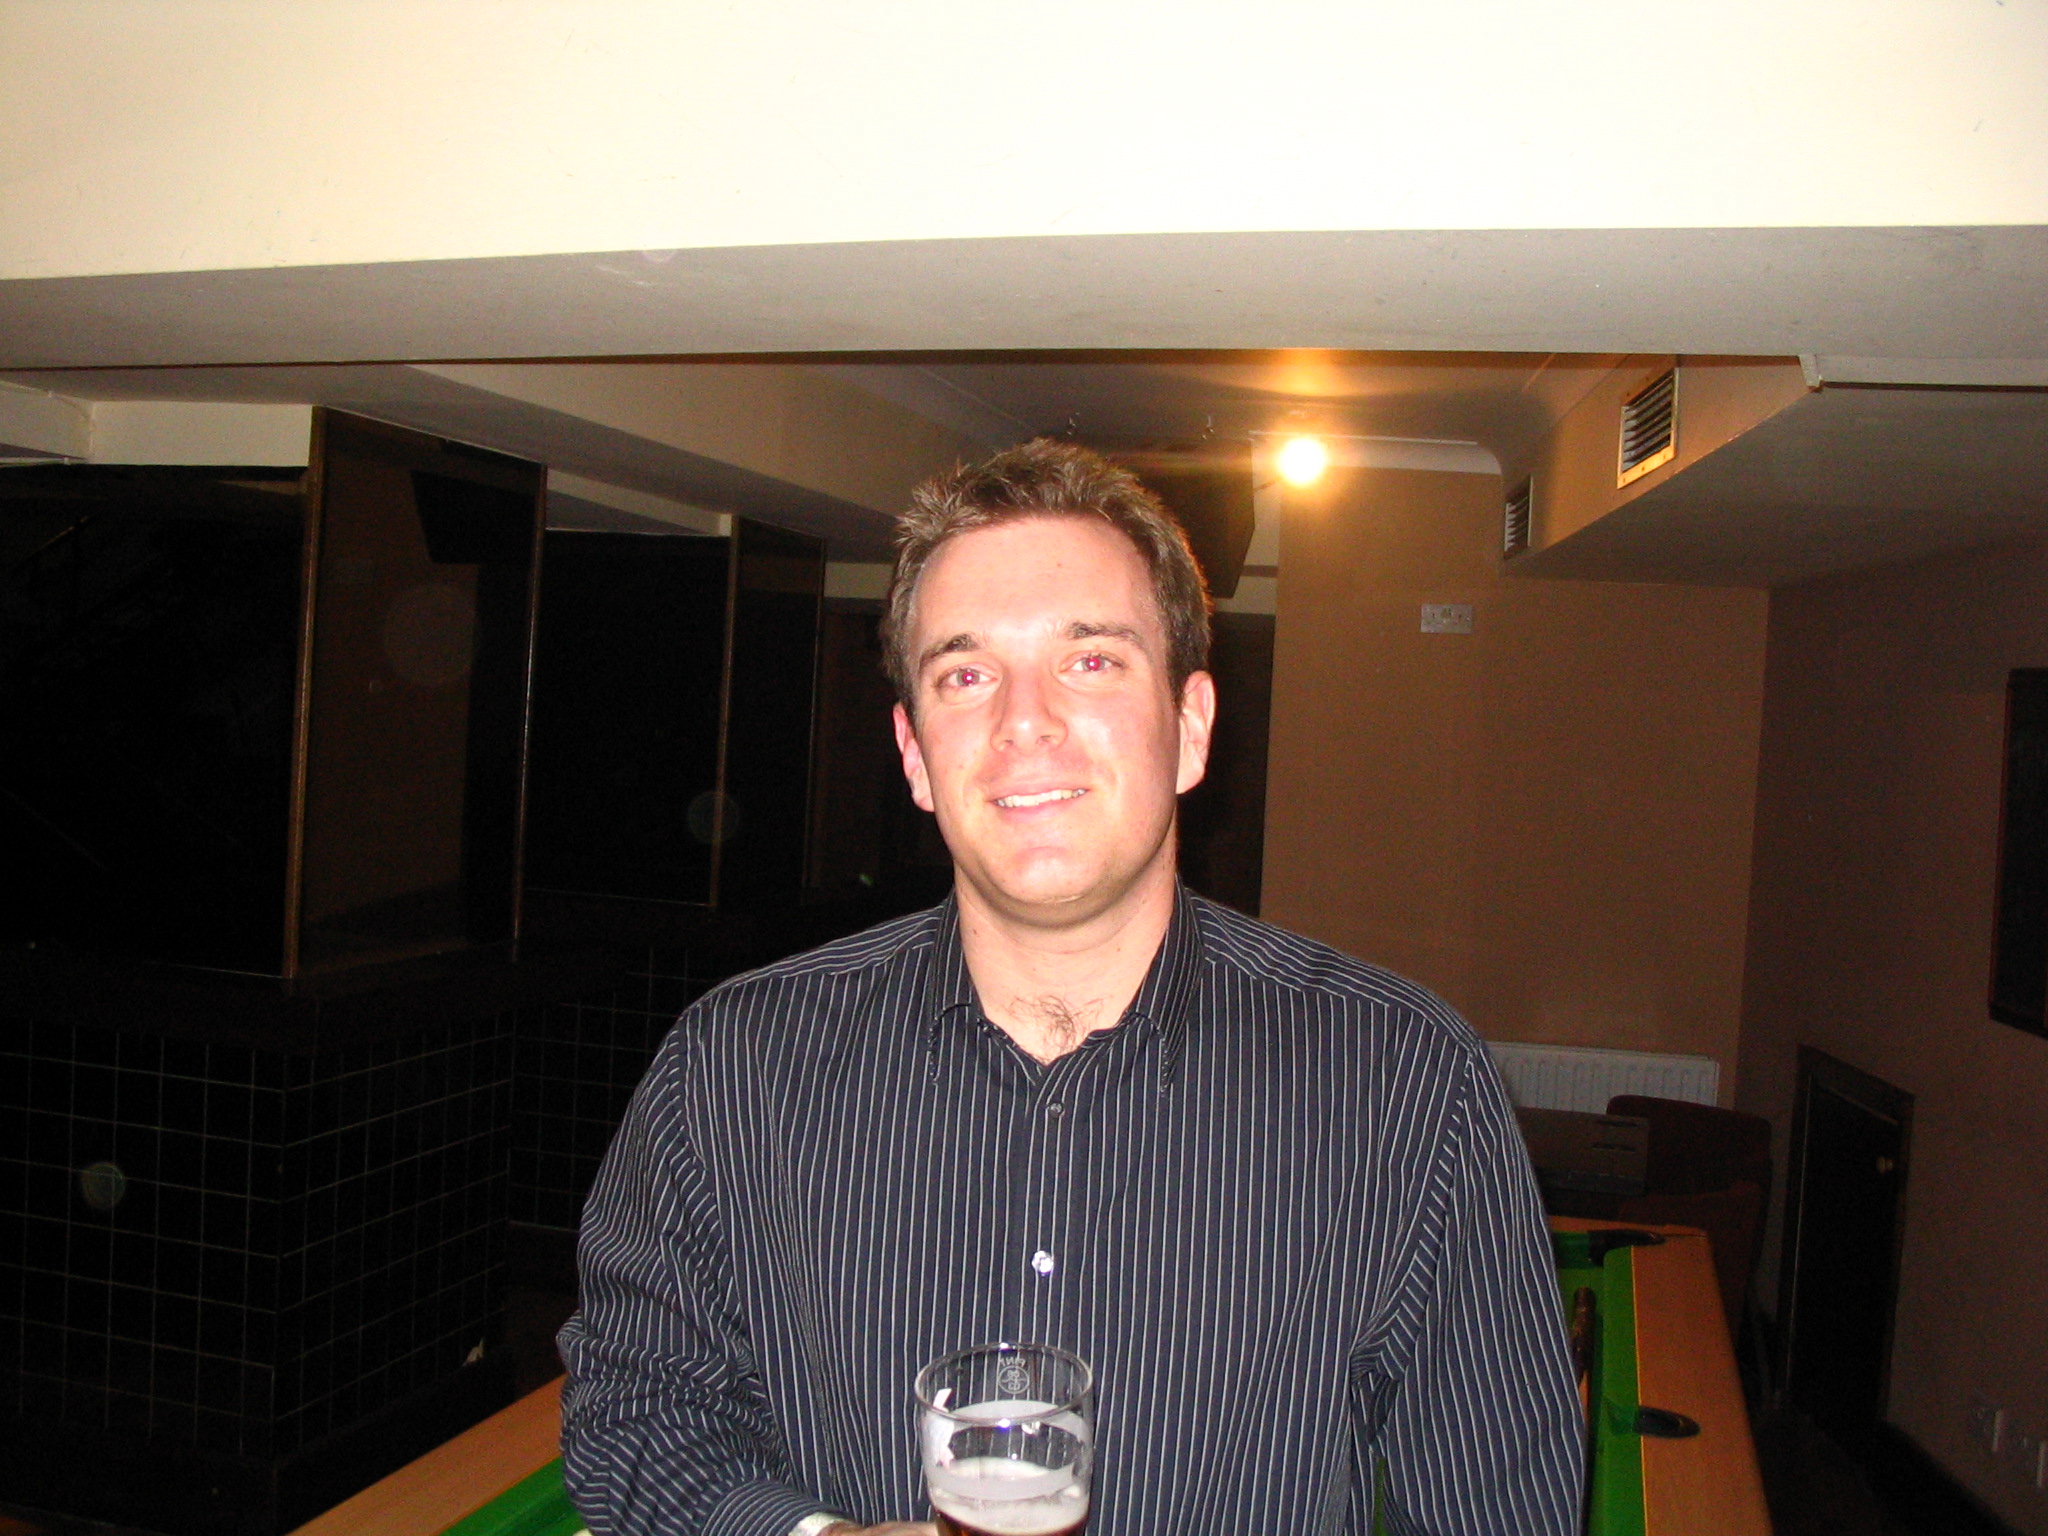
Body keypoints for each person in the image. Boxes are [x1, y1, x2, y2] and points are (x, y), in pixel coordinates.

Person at [558, 439, 1583, 1536]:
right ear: (914, 754)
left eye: (1090, 660)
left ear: (1190, 728)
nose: (1024, 721)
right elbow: (634, 1410)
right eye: (965, 675)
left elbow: (1499, 1510)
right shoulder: (732, 1065)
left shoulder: (1407, 1083)